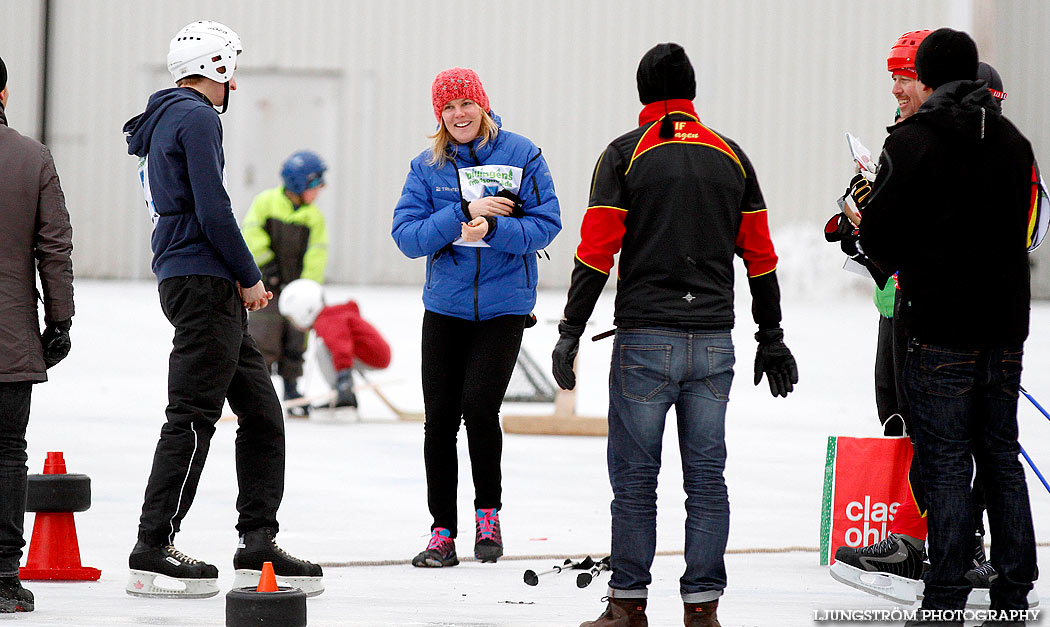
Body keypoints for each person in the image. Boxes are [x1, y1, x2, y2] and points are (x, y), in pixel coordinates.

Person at [553, 43, 798, 627]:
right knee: (707, 479)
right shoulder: (731, 156)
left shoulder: (624, 154)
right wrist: (772, 334)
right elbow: (760, 258)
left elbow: (596, 253)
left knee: (635, 483)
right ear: (692, 90)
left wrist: (570, 330)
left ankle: (629, 607)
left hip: (645, 342)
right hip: (714, 342)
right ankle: (703, 610)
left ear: (642, 92)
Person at [122, 20, 322, 599]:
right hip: (207, 284)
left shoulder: (163, 118)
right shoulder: (197, 116)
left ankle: (257, 542)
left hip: (191, 279)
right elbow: (213, 209)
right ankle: (152, 548)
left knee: (262, 413)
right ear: (220, 68)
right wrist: (250, 277)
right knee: (190, 416)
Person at [859, 29, 1039, 626]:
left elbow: (879, 237)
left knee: (943, 462)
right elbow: (1025, 234)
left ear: (927, 77)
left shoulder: (913, 142)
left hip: (940, 329)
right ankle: (1015, 588)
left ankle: (945, 597)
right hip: (1005, 329)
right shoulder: (1015, 143)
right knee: (1000, 456)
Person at [392, 67, 561, 568]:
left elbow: (546, 224)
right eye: (448, 107)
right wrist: (460, 212)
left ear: (482, 106)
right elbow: (406, 236)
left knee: (479, 407)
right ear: (438, 115)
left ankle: (488, 516)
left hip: (504, 307)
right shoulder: (427, 167)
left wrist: (493, 226)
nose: (458, 114)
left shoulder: (522, 154)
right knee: (439, 419)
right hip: (444, 307)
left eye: (466, 103)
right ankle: (442, 531)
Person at [0, 54, 75, 614]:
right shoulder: (31, 157)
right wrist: (59, 320)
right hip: (10, 337)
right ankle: (3, 576)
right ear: (3, 95)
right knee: (6, 453)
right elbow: (54, 246)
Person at [242, 151, 329, 416]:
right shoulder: (266, 203)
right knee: (264, 336)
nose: (318, 192)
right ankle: (259, 391)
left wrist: (308, 286)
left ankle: (292, 389)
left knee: (296, 338)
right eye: (315, 186)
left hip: (295, 289)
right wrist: (266, 266)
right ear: (298, 184)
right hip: (266, 286)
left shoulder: (313, 217)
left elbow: (317, 252)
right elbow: (251, 232)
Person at [277, 278, 392, 411]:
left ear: (303, 311)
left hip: (374, 357)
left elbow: (340, 347)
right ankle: (345, 395)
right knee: (326, 348)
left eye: (292, 318)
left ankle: (342, 397)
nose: (293, 324)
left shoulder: (327, 321)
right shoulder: (330, 315)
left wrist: (344, 379)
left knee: (322, 350)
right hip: (374, 354)